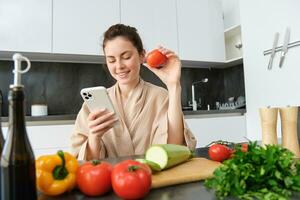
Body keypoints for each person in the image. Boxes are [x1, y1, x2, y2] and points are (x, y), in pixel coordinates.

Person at [71, 24, 196, 160]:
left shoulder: (161, 97)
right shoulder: (92, 104)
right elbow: (82, 162)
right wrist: (94, 137)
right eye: (111, 60)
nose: (119, 66)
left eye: (126, 57)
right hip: (111, 179)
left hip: (152, 178)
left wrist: (174, 86)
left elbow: (174, 148)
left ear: (142, 55)